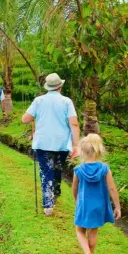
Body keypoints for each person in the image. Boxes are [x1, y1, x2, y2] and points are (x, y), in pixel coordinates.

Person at [22, 73, 80, 217]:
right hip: (61, 143)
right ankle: (55, 194)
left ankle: (48, 205)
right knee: (57, 169)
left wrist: (36, 115)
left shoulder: (39, 100)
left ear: (48, 87)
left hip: (43, 143)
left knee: (46, 172)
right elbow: (74, 124)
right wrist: (76, 145)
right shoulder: (67, 102)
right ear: (61, 86)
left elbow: (25, 119)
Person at [72, 133, 121, 254]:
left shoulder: (78, 170)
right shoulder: (104, 169)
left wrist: (76, 199)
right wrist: (117, 206)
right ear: (99, 151)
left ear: (82, 151)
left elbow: (74, 188)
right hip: (99, 206)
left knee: (80, 230)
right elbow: (112, 188)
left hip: (84, 204)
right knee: (93, 231)